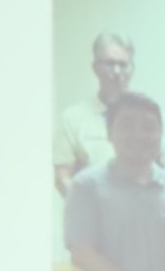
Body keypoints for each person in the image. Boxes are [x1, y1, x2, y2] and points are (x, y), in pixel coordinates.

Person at [64, 94, 165, 271]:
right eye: (127, 125)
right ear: (109, 133)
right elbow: (82, 252)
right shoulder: (86, 186)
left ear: (160, 134)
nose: (138, 135)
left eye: (148, 127)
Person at [57, 32, 135, 193]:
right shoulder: (72, 118)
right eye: (110, 64)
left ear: (131, 70)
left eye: (123, 64)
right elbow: (62, 175)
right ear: (95, 68)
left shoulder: (149, 119)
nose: (117, 71)